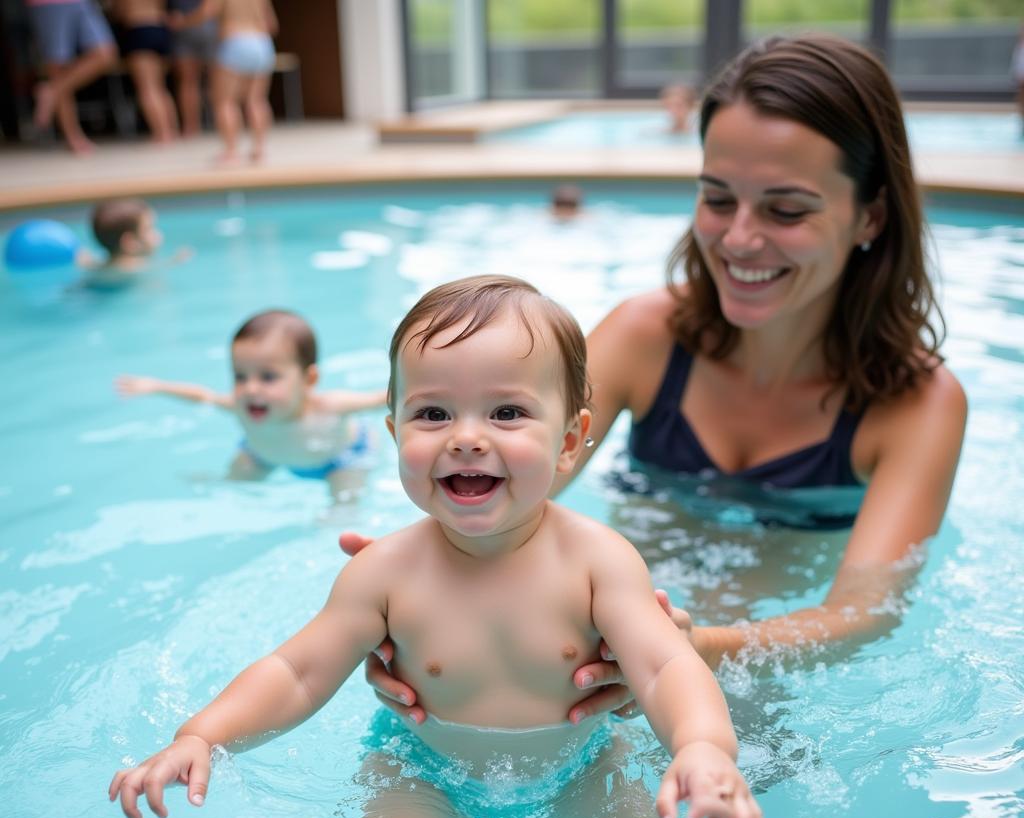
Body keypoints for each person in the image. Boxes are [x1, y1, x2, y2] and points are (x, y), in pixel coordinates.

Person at [109, 275, 762, 818]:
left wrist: (704, 747)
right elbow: (297, 670)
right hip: (424, 766)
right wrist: (201, 736)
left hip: (582, 764)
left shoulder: (598, 560)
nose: (466, 436)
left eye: (508, 411)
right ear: (394, 434)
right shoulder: (385, 570)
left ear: (573, 438)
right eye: (432, 413)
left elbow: (665, 662)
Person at [346, 34, 968, 728]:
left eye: (786, 210)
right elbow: (506, 467)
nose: (737, 239)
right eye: (717, 198)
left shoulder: (915, 404)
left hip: (751, 652)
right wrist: (408, 601)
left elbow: (863, 613)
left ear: (870, 216)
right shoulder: (647, 337)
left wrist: (693, 648)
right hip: (592, 630)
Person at [115, 309, 386, 494]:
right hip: (264, 456)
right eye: (240, 376)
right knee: (234, 483)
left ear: (309, 379)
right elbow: (204, 397)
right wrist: (157, 386)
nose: (250, 388)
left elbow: (381, 399)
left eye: (268, 377)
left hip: (336, 461)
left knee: (342, 507)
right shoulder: (239, 405)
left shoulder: (330, 408)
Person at [168, 0, 277, 163]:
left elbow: (207, 12)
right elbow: (272, 24)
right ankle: (259, 149)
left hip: (235, 41)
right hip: (262, 43)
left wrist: (183, 22)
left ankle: (231, 151)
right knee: (257, 100)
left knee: (225, 101)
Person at [27, 0, 118, 154]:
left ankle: (51, 91)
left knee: (106, 54)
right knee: (58, 68)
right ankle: (73, 138)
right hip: (48, 3)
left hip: (82, 2)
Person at [112, 0, 179, 143]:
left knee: (147, 88)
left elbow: (120, 11)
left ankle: (162, 134)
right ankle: (172, 131)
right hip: (160, 28)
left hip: (138, 28)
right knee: (161, 87)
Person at [167, 0, 218, 136]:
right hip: (208, 28)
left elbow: (209, 9)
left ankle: (192, 127)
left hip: (189, 28)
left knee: (190, 82)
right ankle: (220, 122)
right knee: (213, 82)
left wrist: (184, 22)